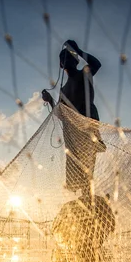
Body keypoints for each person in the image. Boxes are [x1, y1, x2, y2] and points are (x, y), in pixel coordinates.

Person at [42, 40, 106, 194]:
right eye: (63, 58)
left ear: (76, 59)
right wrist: (50, 100)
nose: (67, 60)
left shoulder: (84, 73)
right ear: (60, 65)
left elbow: (96, 64)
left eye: (70, 56)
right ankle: (85, 196)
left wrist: (77, 49)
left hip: (88, 123)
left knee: (88, 161)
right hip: (72, 131)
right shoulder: (63, 90)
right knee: (76, 163)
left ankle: (88, 194)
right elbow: (61, 114)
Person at [51, 193, 116, 262]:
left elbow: (55, 226)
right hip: (87, 245)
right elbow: (111, 224)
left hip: (79, 244)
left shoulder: (71, 205)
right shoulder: (102, 205)